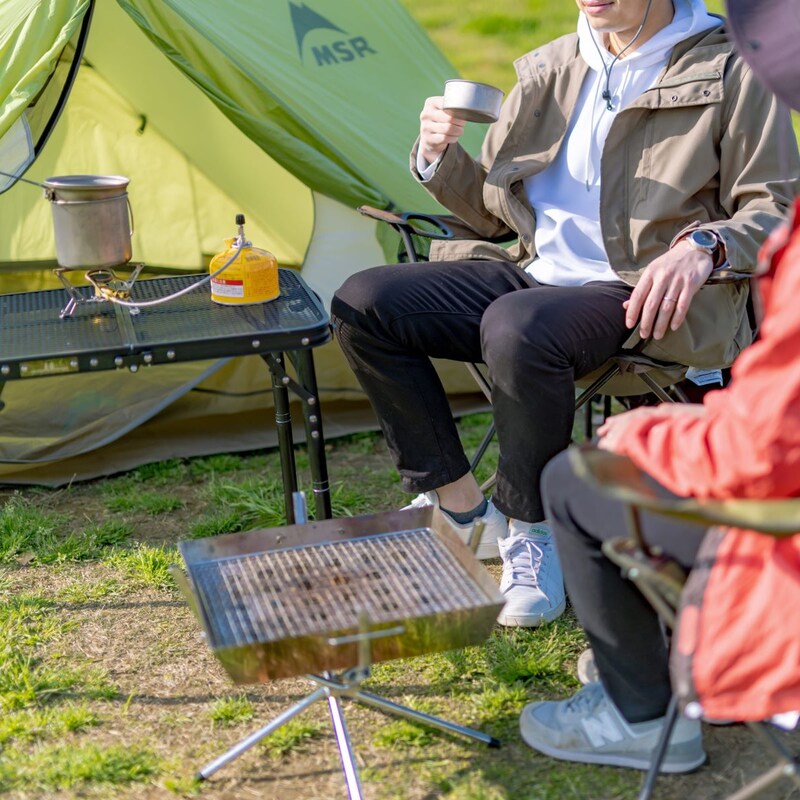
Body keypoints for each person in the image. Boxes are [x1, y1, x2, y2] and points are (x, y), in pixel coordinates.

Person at [331, 0, 798, 628]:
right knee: (363, 302)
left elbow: (773, 206)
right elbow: (496, 215)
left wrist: (704, 246)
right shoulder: (551, 67)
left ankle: (533, 533)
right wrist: (439, 157)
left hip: (645, 293)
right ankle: (467, 509)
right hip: (534, 276)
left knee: (518, 326)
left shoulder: (731, 66)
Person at [519, 0, 800, 773]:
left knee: (577, 477)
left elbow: (763, 449)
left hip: (785, 551)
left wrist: (649, 432)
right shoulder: (553, 68)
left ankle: (643, 714)